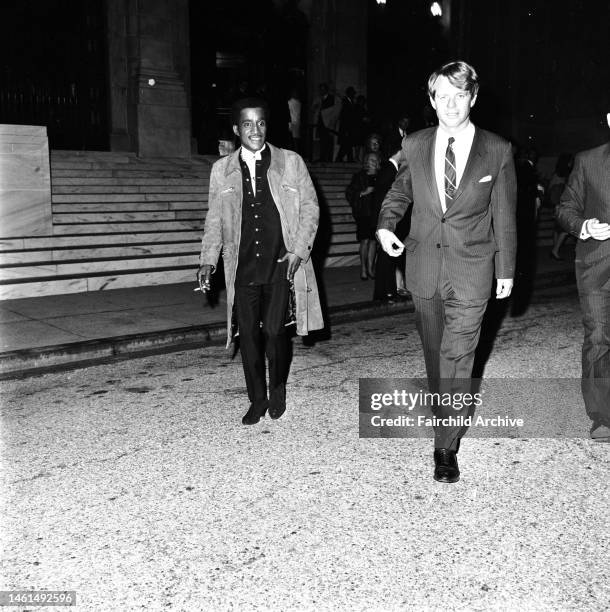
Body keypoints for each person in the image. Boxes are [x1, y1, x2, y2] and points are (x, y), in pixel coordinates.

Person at [377, 61, 517, 483]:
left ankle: (445, 446)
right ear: (432, 99)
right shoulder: (416, 144)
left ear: (473, 97)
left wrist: (505, 268)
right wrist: (386, 225)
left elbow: (506, 215)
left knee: (459, 357)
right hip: (423, 268)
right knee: (436, 357)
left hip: (473, 270)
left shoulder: (497, 149)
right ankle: (445, 418)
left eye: (460, 95)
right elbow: (400, 192)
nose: (451, 104)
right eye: (442, 96)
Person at [198, 97, 324, 425]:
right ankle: (257, 398)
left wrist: (298, 249)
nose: (256, 130)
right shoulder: (221, 170)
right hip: (241, 265)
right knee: (249, 336)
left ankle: (277, 388)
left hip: (281, 262)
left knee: (273, 331)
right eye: (248, 124)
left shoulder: (290, 161)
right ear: (236, 128)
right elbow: (214, 218)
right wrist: (207, 259)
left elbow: (310, 207)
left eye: (261, 123)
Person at [555, 113, 610, 442]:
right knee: (600, 337)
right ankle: (603, 417)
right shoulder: (588, 161)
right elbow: (565, 208)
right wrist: (584, 226)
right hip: (598, 265)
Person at [346, 152, 381, 280]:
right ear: (366, 161)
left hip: (376, 214)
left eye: (376, 159)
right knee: (365, 241)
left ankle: (371, 269)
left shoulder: (381, 176)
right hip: (363, 214)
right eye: (371, 159)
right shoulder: (359, 176)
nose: (374, 162)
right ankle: (363, 270)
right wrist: (363, 192)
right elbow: (350, 193)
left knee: (373, 242)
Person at [548, 153, 574, 260]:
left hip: (556, 204)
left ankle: (555, 249)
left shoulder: (556, 174)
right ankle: (555, 250)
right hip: (564, 204)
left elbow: (550, 188)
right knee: (565, 229)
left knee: (558, 228)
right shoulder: (568, 174)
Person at [335, 86, 357, 162]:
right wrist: (346, 129)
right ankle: (341, 158)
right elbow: (345, 117)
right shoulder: (346, 102)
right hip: (346, 128)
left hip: (349, 128)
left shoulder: (350, 102)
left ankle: (347, 158)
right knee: (346, 144)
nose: (353, 95)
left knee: (347, 144)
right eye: (352, 93)